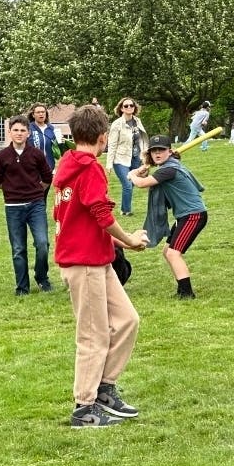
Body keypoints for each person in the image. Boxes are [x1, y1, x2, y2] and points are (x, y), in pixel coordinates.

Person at [52, 105, 149, 427]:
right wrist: (131, 239)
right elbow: (102, 215)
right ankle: (85, 407)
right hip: (84, 265)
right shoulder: (89, 168)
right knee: (93, 336)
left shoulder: (68, 164)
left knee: (126, 321)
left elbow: (83, 220)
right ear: (103, 137)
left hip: (98, 259)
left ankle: (105, 387)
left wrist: (120, 243)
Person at [130, 135, 208, 299]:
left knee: (173, 253)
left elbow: (142, 184)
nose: (157, 154)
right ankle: (181, 289)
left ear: (170, 152)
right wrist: (141, 173)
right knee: (168, 251)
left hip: (193, 215)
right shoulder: (167, 167)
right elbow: (148, 180)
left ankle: (187, 293)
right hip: (185, 216)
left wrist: (133, 174)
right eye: (154, 151)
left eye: (161, 150)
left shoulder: (169, 169)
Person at [0, 115, 54, 295]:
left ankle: (42, 278)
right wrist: (12, 191)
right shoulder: (2, 156)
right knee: (18, 248)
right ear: (10, 132)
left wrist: (35, 190)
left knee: (43, 243)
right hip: (13, 207)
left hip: (36, 205)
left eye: (23, 130)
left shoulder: (36, 154)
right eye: (16, 130)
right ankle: (22, 287)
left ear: (28, 133)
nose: (19, 134)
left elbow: (47, 178)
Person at [106, 97, 148, 217]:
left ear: (135, 108)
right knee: (127, 185)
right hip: (120, 159)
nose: (129, 107)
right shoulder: (117, 124)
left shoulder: (137, 121)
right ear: (121, 108)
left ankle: (125, 207)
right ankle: (126, 211)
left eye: (131, 105)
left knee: (132, 183)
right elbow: (112, 145)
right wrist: (109, 164)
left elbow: (142, 139)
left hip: (135, 157)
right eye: (126, 106)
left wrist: (144, 156)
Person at [27, 104, 59, 170]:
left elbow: (56, 148)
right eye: (38, 112)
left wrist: (60, 142)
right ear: (33, 115)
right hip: (32, 168)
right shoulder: (28, 128)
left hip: (48, 167)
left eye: (43, 112)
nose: (41, 114)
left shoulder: (51, 129)